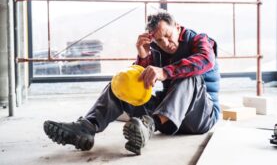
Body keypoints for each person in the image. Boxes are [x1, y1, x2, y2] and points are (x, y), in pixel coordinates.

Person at [43, 10, 220, 155]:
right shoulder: (157, 51)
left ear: (177, 27)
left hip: (200, 117)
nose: (165, 43)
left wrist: (165, 71)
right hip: (166, 119)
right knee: (121, 83)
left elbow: (205, 59)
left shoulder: (199, 40)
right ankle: (87, 127)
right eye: (159, 40)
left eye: (167, 35)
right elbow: (139, 84)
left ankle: (149, 126)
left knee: (189, 76)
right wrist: (142, 57)